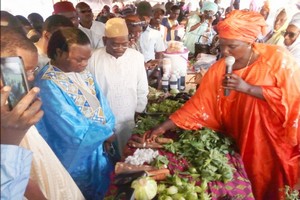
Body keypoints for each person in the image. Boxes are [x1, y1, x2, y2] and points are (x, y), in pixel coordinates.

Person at [144, 10, 300, 200]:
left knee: (273, 184)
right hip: (240, 137)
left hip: (273, 139)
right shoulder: (219, 70)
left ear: (249, 42)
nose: (225, 52)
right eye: (222, 45)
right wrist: (163, 126)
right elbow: (198, 106)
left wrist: (249, 88)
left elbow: (294, 99)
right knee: (250, 180)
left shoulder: (277, 59)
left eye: (232, 46)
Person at [1, 23, 85, 199]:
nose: (31, 78)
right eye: (23, 71)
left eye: (33, 70)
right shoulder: (10, 123)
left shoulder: (14, 112)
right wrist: (10, 140)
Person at [35, 27, 115, 200]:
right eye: (79, 59)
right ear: (59, 52)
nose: (85, 64)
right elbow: (70, 128)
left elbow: (102, 103)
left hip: (98, 147)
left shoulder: (83, 73)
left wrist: (109, 127)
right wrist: (104, 134)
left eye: (87, 59)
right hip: (78, 156)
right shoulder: (47, 84)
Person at [88, 18, 148, 158]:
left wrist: (139, 109)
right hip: (103, 122)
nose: (120, 49)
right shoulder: (93, 59)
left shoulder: (136, 57)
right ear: (104, 40)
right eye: (115, 45)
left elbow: (142, 86)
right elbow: (90, 92)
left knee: (129, 155)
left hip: (128, 117)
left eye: (124, 44)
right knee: (108, 157)